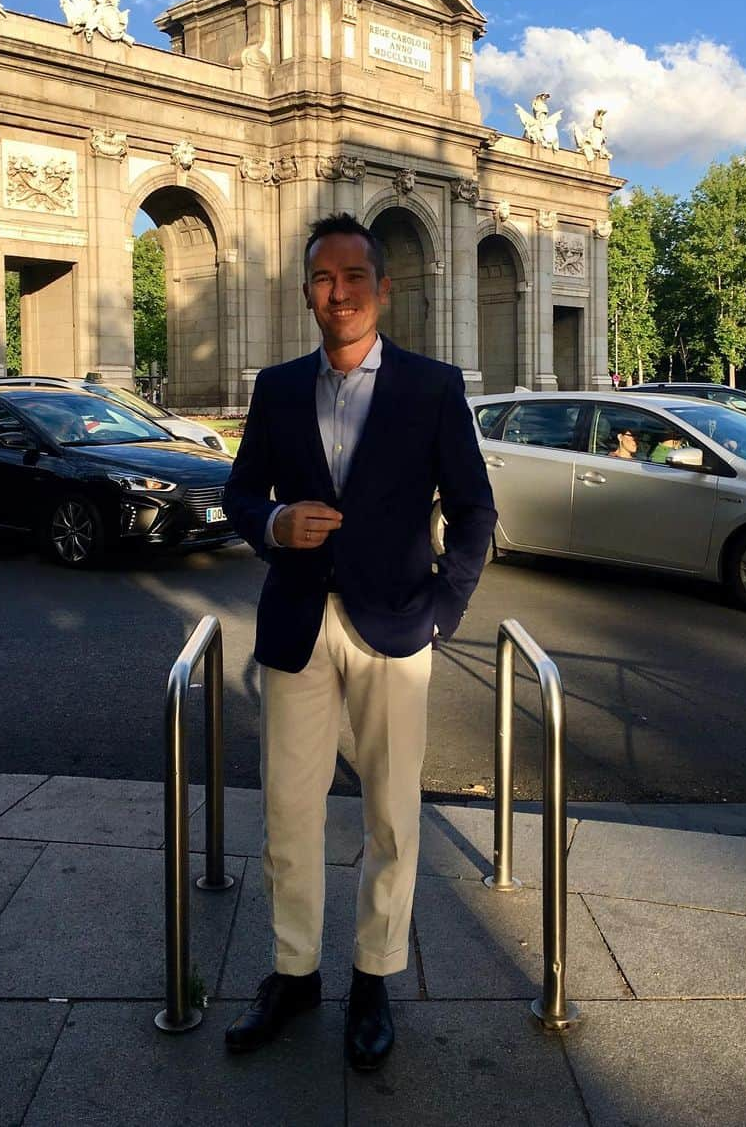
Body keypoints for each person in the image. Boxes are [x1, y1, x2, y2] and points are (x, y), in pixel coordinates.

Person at [221, 213, 496, 1072]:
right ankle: (294, 971)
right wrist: (273, 521)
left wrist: (443, 610)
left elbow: (475, 510)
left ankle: (375, 975)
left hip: (395, 627)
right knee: (287, 814)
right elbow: (237, 498)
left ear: (382, 288)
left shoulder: (432, 386)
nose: (335, 295)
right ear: (308, 291)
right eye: (320, 280)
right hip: (297, 622)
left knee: (391, 815)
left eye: (351, 278)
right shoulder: (275, 388)